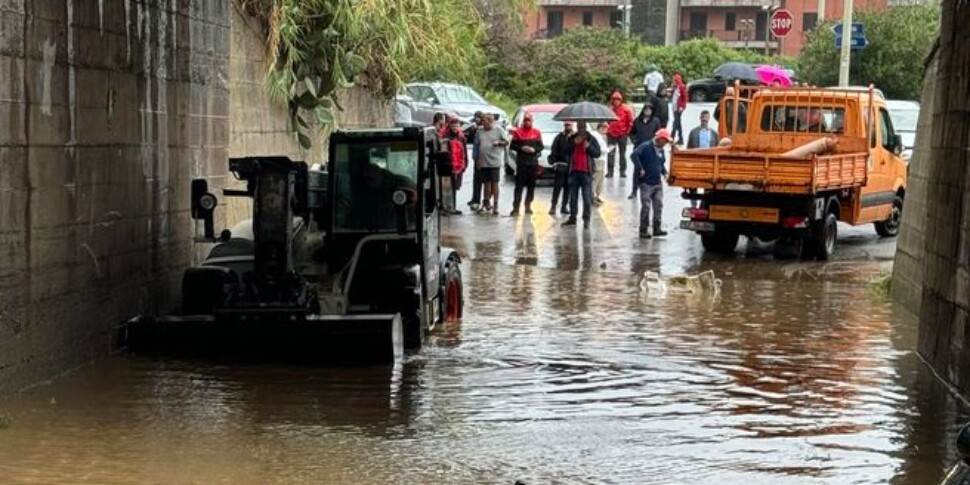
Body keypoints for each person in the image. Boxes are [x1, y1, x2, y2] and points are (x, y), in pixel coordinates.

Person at [631, 128, 673, 239]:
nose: (666, 144)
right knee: (646, 206)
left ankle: (657, 228)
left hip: (657, 182)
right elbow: (634, 155)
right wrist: (640, 168)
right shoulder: (646, 146)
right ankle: (643, 230)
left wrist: (664, 173)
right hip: (646, 183)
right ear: (660, 139)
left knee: (658, 205)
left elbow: (660, 163)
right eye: (665, 141)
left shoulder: (661, 149)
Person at [563, 122, 601, 229]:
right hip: (574, 171)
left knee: (587, 198)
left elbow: (597, 153)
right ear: (577, 127)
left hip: (586, 172)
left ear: (586, 128)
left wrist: (588, 147)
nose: (581, 129)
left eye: (583, 127)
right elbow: (565, 151)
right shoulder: (572, 138)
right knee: (573, 197)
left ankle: (586, 220)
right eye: (579, 127)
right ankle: (573, 218)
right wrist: (574, 143)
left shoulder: (591, 138)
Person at [509, 113, 544, 216]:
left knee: (531, 185)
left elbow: (540, 146)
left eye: (529, 120)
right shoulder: (518, 132)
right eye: (525, 121)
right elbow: (512, 146)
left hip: (532, 162)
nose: (527, 122)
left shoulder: (537, 132)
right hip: (522, 162)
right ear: (523, 121)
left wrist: (534, 150)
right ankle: (516, 207)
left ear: (532, 121)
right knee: (519, 186)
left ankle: (528, 205)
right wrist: (522, 148)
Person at [475, 113, 509, 215]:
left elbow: (507, 141)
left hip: (494, 161)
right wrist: (477, 159)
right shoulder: (480, 131)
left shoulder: (499, 130)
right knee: (486, 183)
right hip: (483, 160)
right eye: (484, 123)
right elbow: (477, 145)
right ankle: (486, 201)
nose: (486, 126)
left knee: (494, 182)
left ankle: (496, 203)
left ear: (492, 122)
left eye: (488, 124)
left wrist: (499, 142)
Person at [628, 104, 662, 200]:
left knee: (650, 170)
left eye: (649, 109)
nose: (647, 111)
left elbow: (659, 134)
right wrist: (634, 140)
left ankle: (651, 191)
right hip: (639, 149)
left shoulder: (655, 121)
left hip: (651, 150)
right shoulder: (637, 121)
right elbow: (631, 132)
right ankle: (634, 191)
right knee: (637, 170)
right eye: (646, 109)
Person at [685, 110, 718, 208]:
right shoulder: (693, 132)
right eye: (703, 117)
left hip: (709, 163)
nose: (704, 119)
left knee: (707, 184)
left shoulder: (714, 133)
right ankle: (693, 203)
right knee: (693, 184)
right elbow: (689, 148)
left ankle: (705, 204)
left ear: (709, 119)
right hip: (696, 162)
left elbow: (717, 149)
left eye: (706, 117)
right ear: (700, 118)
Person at [606, 91, 634, 178]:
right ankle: (610, 171)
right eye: (614, 100)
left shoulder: (626, 109)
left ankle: (622, 171)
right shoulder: (609, 109)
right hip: (611, 134)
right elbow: (606, 122)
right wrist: (607, 130)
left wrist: (627, 132)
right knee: (610, 153)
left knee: (622, 154)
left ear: (621, 100)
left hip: (622, 134)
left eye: (618, 100)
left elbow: (630, 122)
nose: (616, 101)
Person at [548, 121, 574, 215]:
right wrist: (553, 162)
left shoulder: (575, 137)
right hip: (560, 165)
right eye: (566, 125)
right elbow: (554, 149)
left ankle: (564, 206)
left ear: (572, 125)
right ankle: (553, 206)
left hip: (571, 166)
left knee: (568, 188)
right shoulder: (559, 137)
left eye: (569, 125)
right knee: (557, 187)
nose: (568, 127)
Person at [444, 118, 468, 215]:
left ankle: (453, 206)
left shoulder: (461, 137)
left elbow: (465, 151)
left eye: (457, 126)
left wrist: (465, 163)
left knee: (455, 187)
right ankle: (448, 207)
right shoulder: (446, 137)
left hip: (459, 166)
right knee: (448, 187)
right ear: (450, 126)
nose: (455, 128)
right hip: (450, 166)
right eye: (453, 126)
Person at [465, 111, 485, 210]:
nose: (476, 119)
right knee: (476, 179)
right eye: (475, 117)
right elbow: (470, 140)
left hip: (483, 158)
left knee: (481, 179)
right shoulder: (475, 129)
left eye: (479, 117)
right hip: (476, 156)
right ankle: (475, 198)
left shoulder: (481, 130)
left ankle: (481, 200)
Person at [591, 123, 609, 206]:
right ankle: (592, 197)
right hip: (598, 160)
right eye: (604, 128)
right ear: (600, 128)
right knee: (596, 179)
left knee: (600, 180)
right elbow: (599, 149)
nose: (606, 130)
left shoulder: (601, 137)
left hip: (602, 160)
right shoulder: (596, 136)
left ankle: (597, 195)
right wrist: (608, 149)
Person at [670, 73, 688, 145]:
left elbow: (685, 97)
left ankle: (672, 136)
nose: (673, 82)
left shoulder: (682, 87)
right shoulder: (676, 87)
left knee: (675, 123)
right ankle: (680, 139)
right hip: (675, 108)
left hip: (679, 108)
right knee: (678, 123)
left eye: (674, 80)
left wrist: (682, 106)